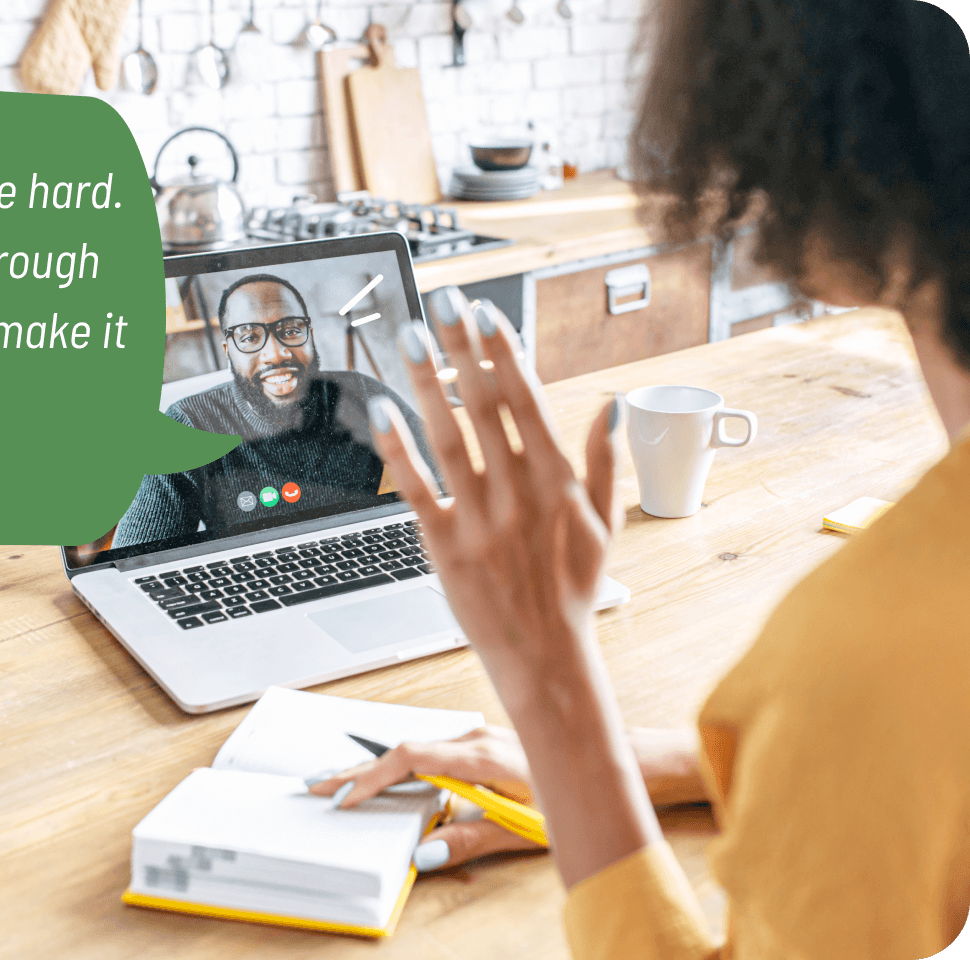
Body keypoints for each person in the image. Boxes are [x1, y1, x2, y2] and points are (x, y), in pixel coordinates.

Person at [309, 1, 970, 956]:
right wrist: (638, 767)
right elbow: (907, 747)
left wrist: (553, 689)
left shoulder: (881, 638)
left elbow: (883, 701)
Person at [112, 274, 437, 548]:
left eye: (292, 330)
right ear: (228, 351)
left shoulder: (361, 394)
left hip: (357, 561)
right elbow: (132, 563)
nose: (276, 353)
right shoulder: (187, 425)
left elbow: (450, 478)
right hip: (250, 583)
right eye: (250, 336)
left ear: (310, 335)